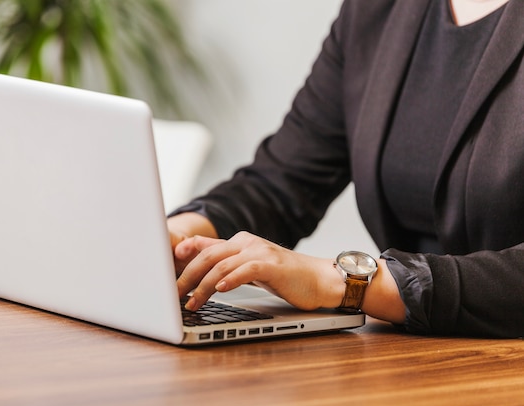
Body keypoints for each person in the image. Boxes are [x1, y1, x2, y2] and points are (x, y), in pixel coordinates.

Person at [167, 0, 524, 338]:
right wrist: (179, 238)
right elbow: (284, 180)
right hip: (408, 352)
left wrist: (343, 282)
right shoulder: (377, 11)